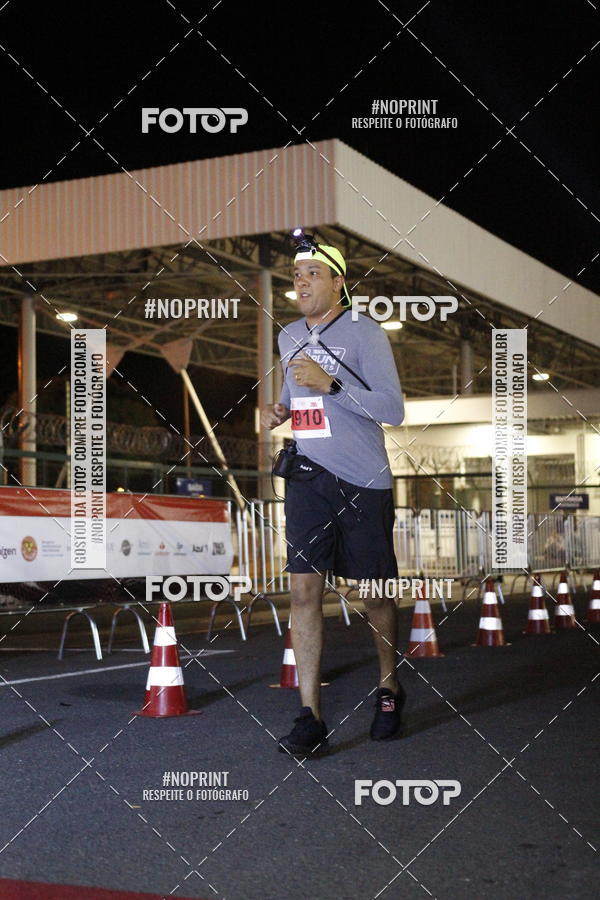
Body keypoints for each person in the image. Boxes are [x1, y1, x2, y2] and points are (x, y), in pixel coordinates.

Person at [261, 237, 405, 757]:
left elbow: (393, 409)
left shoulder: (366, 333)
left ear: (338, 281)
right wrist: (278, 411)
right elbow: (292, 395)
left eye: (313, 273)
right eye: (297, 273)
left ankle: (389, 688)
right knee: (303, 591)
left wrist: (333, 385)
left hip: (363, 480)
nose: (301, 281)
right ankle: (310, 716)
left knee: (375, 593)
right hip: (308, 480)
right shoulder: (288, 335)